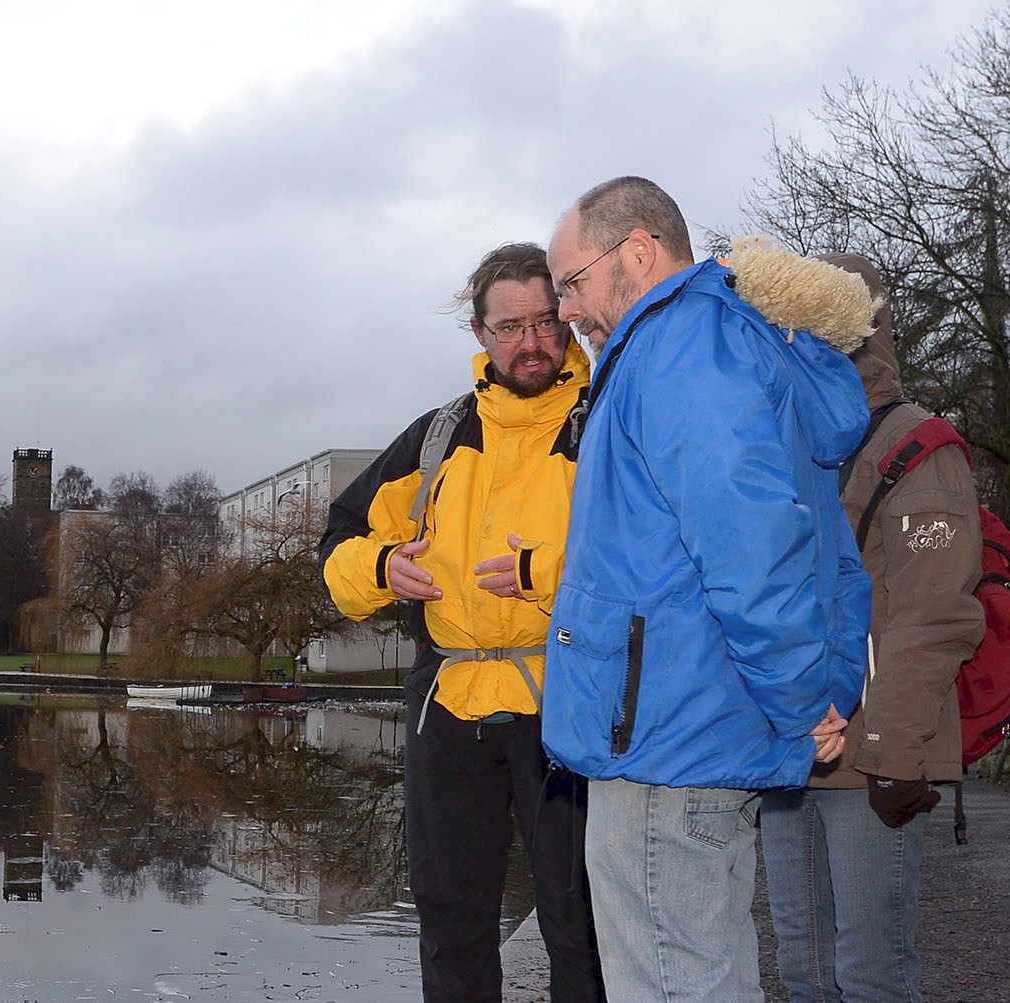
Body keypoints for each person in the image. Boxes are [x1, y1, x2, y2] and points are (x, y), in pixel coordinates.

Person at [539, 176, 873, 1001]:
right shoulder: (726, 343)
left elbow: (754, 545)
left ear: (639, 251)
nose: (567, 312)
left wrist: (804, 700)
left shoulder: (681, 348)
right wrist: (814, 688)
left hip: (664, 746)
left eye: (572, 284)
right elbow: (826, 548)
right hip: (692, 735)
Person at [320, 242, 604, 1002]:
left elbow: (653, 559)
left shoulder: (603, 421)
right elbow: (339, 545)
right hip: (446, 703)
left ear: (568, 317)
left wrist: (548, 574)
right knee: (450, 915)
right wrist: (381, 568)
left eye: (546, 322)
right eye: (509, 326)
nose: (532, 342)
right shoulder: (436, 437)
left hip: (568, 699)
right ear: (478, 331)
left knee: (582, 919)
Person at [758, 253, 984, 1003]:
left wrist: (891, 751)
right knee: (803, 971)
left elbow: (935, 616)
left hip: (871, 755)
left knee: (869, 975)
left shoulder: (918, 445)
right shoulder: (790, 442)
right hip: (793, 752)